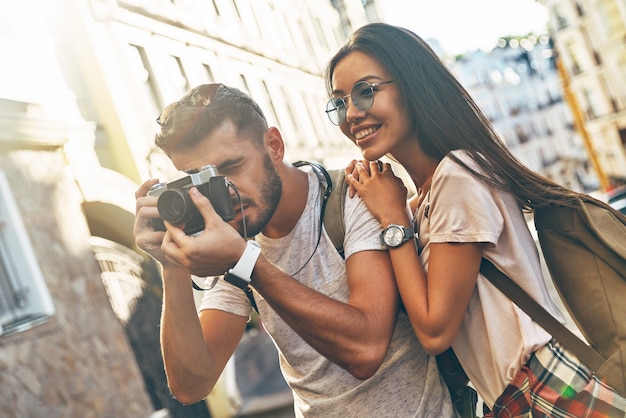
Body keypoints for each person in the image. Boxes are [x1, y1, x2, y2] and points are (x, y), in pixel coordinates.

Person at [324, 22, 626, 417]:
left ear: (412, 86)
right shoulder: (425, 201)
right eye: (339, 102)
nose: (352, 114)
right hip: (512, 399)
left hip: (544, 390)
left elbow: (434, 330)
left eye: (366, 92)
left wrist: (393, 218)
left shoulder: (459, 174)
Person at [133, 83, 455, 417]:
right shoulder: (235, 238)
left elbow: (366, 349)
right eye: (201, 179)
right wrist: (170, 265)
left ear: (273, 146)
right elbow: (191, 386)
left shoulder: (353, 195)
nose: (223, 192)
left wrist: (247, 264)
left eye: (229, 168)